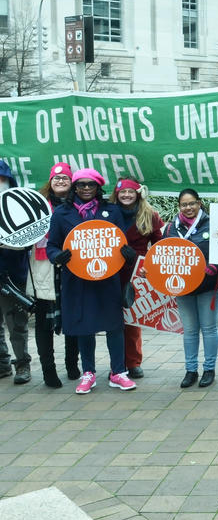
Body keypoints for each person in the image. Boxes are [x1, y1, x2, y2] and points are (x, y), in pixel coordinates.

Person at [46, 168, 136, 394]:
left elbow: (121, 241)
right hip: (77, 280)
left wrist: (127, 254)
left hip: (107, 278)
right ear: (74, 187)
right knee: (84, 325)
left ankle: (118, 372)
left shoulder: (111, 210)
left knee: (114, 325)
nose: (86, 188)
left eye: (91, 184)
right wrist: (58, 256)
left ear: (98, 187)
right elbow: (52, 246)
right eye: (81, 185)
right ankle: (89, 373)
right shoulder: (61, 214)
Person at [163, 189, 218, 388]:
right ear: (179, 206)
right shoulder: (171, 228)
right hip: (183, 287)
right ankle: (190, 371)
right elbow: (162, 255)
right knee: (189, 330)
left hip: (209, 286)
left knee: (208, 328)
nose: (188, 208)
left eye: (192, 203)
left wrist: (214, 267)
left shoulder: (214, 224)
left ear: (199, 203)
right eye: (184, 204)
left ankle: (209, 369)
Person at [26, 163, 81, 387]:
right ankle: (48, 369)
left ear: (71, 182)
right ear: (51, 181)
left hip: (72, 267)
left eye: (65, 178)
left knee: (73, 319)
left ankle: (72, 364)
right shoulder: (36, 206)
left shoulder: (79, 206)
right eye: (56, 178)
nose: (60, 181)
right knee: (43, 322)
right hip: (43, 267)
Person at [110, 178, 165, 379]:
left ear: (138, 193)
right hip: (111, 271)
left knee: (132, 319)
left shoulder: (149, 215)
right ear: (116, 194)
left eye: (130, 192)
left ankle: (133, 361)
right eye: (122, 192)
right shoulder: (109, 212)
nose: (126, 195)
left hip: (136, 272)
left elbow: (159, 245)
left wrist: (146, 265)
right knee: (113, 321)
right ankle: (117, 363)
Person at [0, 159, 32, 384]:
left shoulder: (18, 205)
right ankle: (2, 364)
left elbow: (29, 239)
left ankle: (22, 364)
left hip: (12, 276)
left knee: (16, 324)